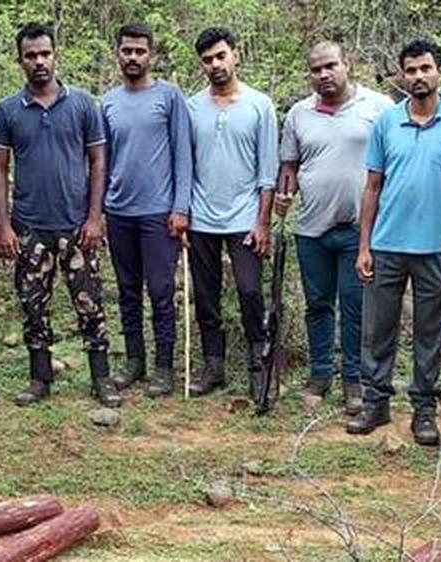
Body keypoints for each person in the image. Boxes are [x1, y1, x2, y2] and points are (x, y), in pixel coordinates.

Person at [346, 39, 441, 444]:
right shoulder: (387, 122)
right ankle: (375, 402)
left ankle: (424, 409)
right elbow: (372, 186)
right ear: (401, 76)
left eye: (425, 68)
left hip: (437, 247)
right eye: (411, 70)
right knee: (377, 329)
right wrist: (364, 246)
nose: (418, 77)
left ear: (440, 71)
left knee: (430, 333)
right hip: (386, 245)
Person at [0, 23, 120, 408]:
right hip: (30, 226)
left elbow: (98, 160)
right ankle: (39, 377)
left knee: (90, 302)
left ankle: (101, 378)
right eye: (30, 56)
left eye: (45, 54)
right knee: (33, 304)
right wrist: (1, 223)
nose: (39, 62)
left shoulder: (82, 104)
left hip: (77, 226)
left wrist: (95, 217)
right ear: (20, 61)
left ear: (55, 55)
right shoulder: (9, 110)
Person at [275, 41, 392, 415]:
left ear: (348, 64)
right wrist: (284, 193)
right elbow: (289, 165)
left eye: (330, 66)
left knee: (356, 305)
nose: (323, 75)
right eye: (315, 69)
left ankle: (354, 380)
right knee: (318, 304)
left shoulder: (378, 107)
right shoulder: (299, 113)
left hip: (360, 229)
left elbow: (392, 163)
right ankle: (320, 374)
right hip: (312, 228)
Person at [185, 27, 278, 398]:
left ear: (235, 55)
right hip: (201, 216)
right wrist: (182, 212)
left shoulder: (260, 105)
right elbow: (185, 164)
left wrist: (262, 222)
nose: (215, 65)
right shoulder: (191, 107)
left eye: (221, 56)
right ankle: (213, 365)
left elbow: (267, 171)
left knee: (249, 290)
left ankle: (259, 363)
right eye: (207, 60)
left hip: (244, 218)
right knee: (206, 295)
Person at [101, 23, 193, 397]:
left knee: (160, 289)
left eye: (140, 51)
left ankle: (163, 366)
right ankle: (134, 360)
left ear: (151, 54)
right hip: (119, 211)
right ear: (118, 54)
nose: (133, 57)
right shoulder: (106, 102)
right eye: (127, 51)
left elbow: (183, 153)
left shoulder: (169, 97)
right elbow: (101, 160)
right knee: (126, 289)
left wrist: (180, 206)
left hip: (159, 212)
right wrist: (100, 209)